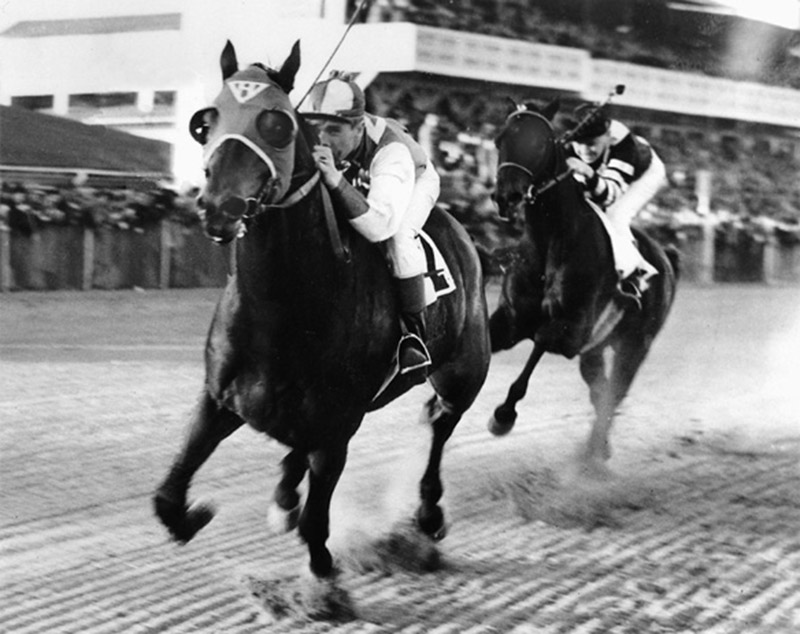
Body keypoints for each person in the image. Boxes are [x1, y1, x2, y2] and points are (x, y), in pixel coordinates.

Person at [300, 71, 440, 382]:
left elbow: (379, 226)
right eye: (316, 129)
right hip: (364, 177)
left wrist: (335, 179)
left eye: (334, 131)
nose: (323, 140)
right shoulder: (333, 140)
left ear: (358, 127)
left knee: (399, 237)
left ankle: (412, 336)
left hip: (416, 180)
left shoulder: (392, 153)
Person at [564, 103, 667, 308]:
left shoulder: (624, 147)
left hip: (644, 175)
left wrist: (590, 174)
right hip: (605, 172)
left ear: (607, 136)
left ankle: (635, 274)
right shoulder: (568, 146)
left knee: (615, 216)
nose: (586, 150)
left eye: (592, 143)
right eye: (580, 144)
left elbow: (609, 196)